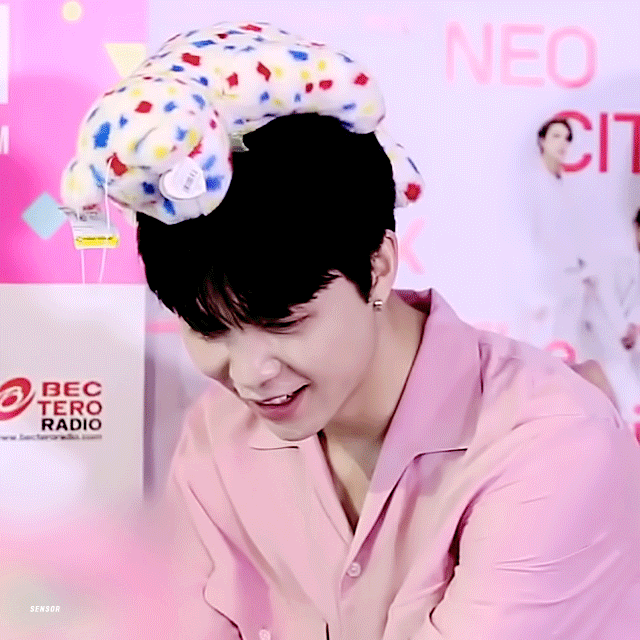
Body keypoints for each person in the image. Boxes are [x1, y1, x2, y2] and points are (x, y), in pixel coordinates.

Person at [61, 23, 640, 640]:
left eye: (284, 322)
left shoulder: (549, 445)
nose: (251, 374)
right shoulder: (217, 434)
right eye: (209, 329)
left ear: (379, 265)